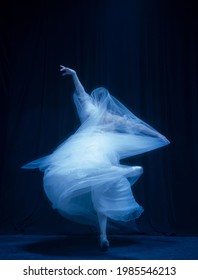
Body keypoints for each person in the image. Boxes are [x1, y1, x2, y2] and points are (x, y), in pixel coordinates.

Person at [22, 66, 170, 250]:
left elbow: (135, 125)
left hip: (93, 147)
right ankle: (123, 173)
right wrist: (75, 75)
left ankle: (103, 236)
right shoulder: (97, 112)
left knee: (97, 187)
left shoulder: (97, 112)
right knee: (97, 183)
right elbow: (82, 92)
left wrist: (157, 134)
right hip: (96, 148)